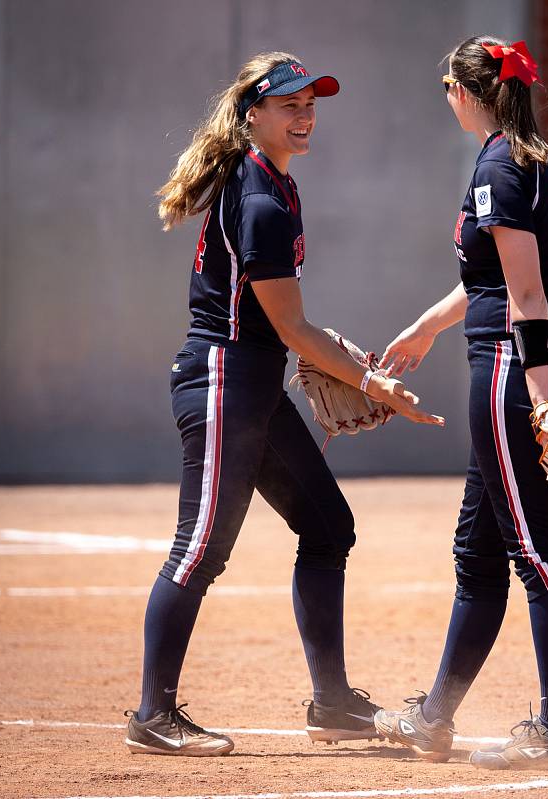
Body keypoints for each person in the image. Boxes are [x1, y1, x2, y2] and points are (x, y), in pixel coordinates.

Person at [124, 52, 444, 757]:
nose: (305, 115)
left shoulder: (272, 182)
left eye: (311, 104)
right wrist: (371, 382)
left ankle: (331, 701)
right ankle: (152, 712)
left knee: (328, 525)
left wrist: (343, 357)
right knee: (201, 548)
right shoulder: (264, 199)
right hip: (222, 382)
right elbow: (292, 327)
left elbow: (284, 326)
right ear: (252, 117)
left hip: (254, 384)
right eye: (290, 104)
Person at [373, 37, 548, 771]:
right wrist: (425, 328)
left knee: (535, 551)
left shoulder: (499, 162)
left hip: (508, 371)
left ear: (468, 92)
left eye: (447, 86)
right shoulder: (531, 157)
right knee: (479, 550)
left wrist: (540, 402)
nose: (446, 97)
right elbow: (501, 279)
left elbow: (525, 295)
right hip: (509, 361)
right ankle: (435, 716)